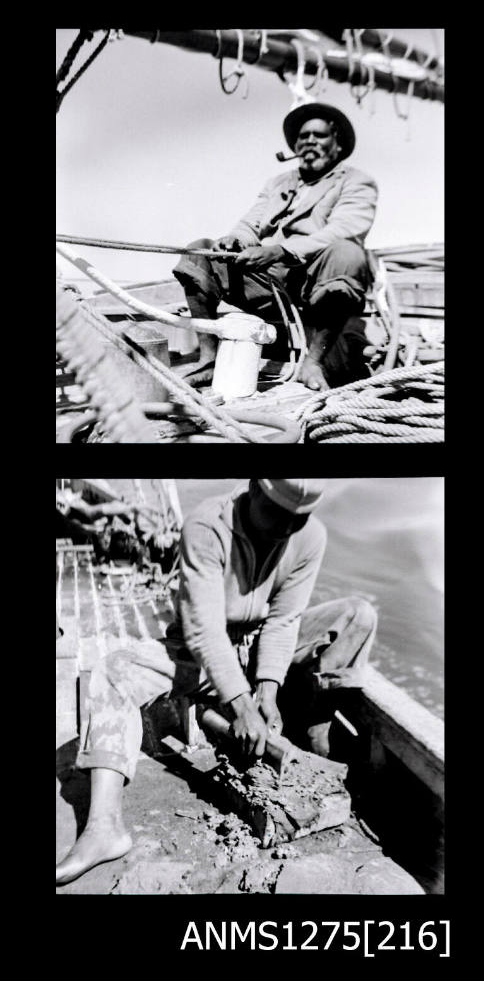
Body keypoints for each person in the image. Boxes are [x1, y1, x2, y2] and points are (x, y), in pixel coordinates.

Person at [56, 479, 377, 885]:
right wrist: (241, 705)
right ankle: (104, 828)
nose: (285, 529)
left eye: (298, 519)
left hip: (259, 645)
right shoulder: (207, 526)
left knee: (356, 616)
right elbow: (204, 631)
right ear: (254, 488)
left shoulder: (309, 535)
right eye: (277, 514)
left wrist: (267, 694)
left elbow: (283, 621)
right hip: (200, 649)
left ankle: (313, 732)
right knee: (114, 671)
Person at [173, 103, 378, 392]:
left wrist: (281, 251)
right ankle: (209, 359)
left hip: (316, 279)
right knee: (200, 251)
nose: (309, 141)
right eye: (303, 136)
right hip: (270, 281)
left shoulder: (357, 181)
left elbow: (344, 230)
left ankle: (313, 362)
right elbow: (250, 223)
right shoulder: (278, 183)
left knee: (348, 253)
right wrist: (236, 240)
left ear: (338, 144)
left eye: (318, 135)